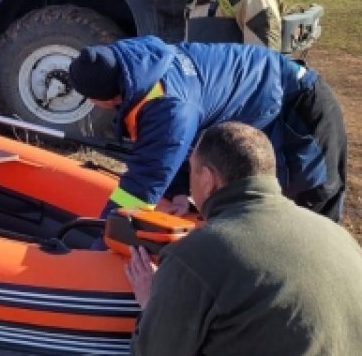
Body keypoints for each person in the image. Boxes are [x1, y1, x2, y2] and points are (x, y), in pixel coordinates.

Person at [85, 122, 362, 356]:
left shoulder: (200, 253)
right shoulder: (336, 234)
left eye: (192, 170)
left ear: (209, 179)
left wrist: (151, 303)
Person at [66, 36, 347, 221]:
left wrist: (102, 234)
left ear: (102, 99)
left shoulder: (169, 105)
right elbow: (171, 148)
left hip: (298, 104)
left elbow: (146, 178)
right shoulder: (139, 64)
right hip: (264, 98)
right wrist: (179, 191)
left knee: (312, 197)